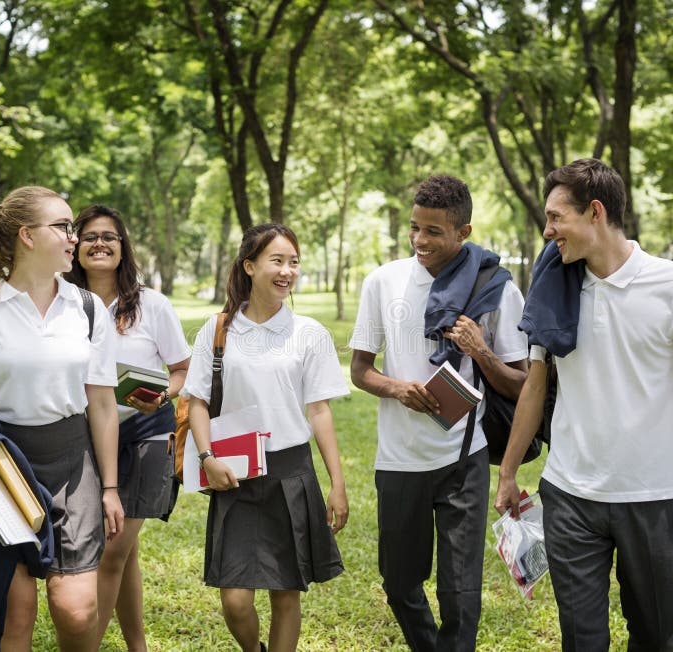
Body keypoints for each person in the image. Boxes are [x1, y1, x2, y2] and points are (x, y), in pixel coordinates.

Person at [494, 158, 673, 651]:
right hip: (568, 497)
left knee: (654, 633)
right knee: (582, 640)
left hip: (651, 499)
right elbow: (535, 389)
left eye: (556, 217)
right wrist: (507, 472)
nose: (547, 230)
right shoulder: (554, 288)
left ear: (596, 212)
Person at [349, 174, 528, 651]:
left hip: (464, 457)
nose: (419, 240)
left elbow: (523, 383)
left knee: (460, 591)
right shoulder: (383, 282)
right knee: (399, 583)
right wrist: (397, 388)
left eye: (433, 231)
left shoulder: (497, 289)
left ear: (463, 232)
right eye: (414, 228)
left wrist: (481, 351)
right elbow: (360, 370)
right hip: (399, 458)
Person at [0, 186, 124, 651]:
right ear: (26, 235)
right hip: (1, 467)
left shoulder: (86, 310)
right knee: (14, 615)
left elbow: (102, 404)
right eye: (63, 227)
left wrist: (109, 488)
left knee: (77, 609)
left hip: (73, 463)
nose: (74, 237)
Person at [182, 223, 349, 652]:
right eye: (277, 260)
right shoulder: (218, 329)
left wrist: (338, 484)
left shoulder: (309, 333)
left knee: (285, 591)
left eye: (294, 262)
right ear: (250, 265)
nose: (287, 271)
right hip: (233, 473)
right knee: (235, 598)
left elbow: (319, 411)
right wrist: (206, 458)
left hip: (291, 473)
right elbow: (197, 400)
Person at [65, 204, 191, 651]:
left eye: (109, 236)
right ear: (74, 245)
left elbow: (182, 369)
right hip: (83, 438)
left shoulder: (151, 304)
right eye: (90, 235)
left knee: (112, 550)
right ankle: (137, 645)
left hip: (144, 436)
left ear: (123, 248)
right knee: (127, 552)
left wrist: (163, 394)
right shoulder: (60, 303)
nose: (99, 243)